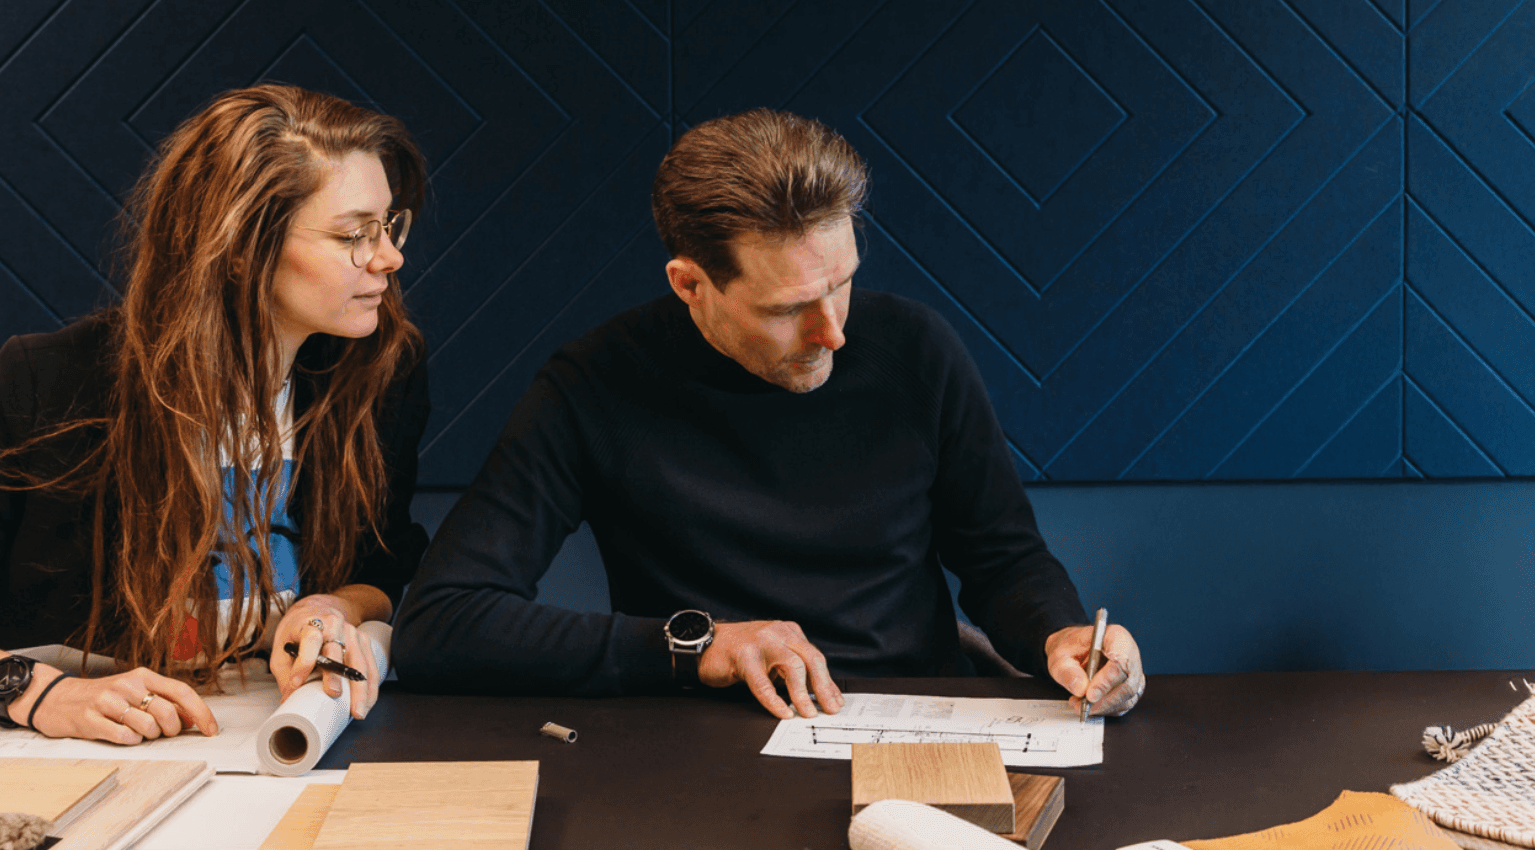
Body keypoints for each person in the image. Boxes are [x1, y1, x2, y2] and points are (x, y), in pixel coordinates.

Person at [393, 109, 1144, 720]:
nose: (833, 333)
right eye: (788, 309)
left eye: (843, 282)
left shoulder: (916, 348)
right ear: (690, 285)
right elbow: (442, 625)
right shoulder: (591, 384)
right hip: (706, 736)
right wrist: (697, 647)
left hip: (917, 715)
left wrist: (1061, 631)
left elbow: (1002, 558)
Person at [0, 84, 431, 744]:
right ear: (240, 249)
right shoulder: (59, 383)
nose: (389, 259)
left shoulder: (377, 375)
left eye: (389, 225)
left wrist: (331, 606)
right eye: (352, 235)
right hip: (69, 751)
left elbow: (385, 566)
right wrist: (44, 696)